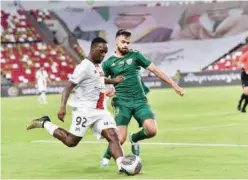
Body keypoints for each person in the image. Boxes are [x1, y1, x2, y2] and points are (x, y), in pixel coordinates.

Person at [26, 37, 126, 172]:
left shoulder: (97, 65)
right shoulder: (83, 67)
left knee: (113, 136)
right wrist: (62, 107)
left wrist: (113, 81)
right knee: (71, 142)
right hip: (85, 111)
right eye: (101, 51)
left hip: (100, 110)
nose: (103, 55)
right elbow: (68, 87)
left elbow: (100, 78)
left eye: (105, 52)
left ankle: (123, 166)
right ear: (93, 48)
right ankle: (45, 123)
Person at [100, 29, 184, 167]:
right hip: (122, 102)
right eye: (123, 42)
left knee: (152, 130)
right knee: (120, 138)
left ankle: (135, 138)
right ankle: (107, 156)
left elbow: (155, 70)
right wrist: (107, 90)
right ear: (116, 42)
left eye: (128, 42)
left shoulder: (135, 56)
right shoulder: (109, 63)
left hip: (140, 100)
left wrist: (174, 85)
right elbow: (100, 79)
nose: (126, 45)